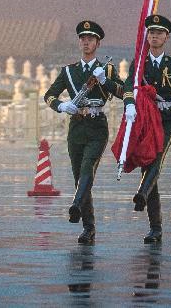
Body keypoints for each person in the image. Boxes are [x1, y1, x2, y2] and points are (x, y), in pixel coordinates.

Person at [43, 20, 123, 244]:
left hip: (97, 126)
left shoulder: (105, 68)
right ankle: (89, 227)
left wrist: (105, 80)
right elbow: (49, 95)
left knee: (88, 167)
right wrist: (61, 106)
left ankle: (76, 205)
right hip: (76, 126)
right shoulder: (69, 71)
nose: (86, 42)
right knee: (80, 176)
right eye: (83, 38)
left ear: (97, 43)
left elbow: (122, 91)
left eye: (90, 39)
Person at [122, 14, 171, 243]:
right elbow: (130, 86)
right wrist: (129, 104)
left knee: (156, 158)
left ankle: (142, 193)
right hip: (145, 120)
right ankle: (155, 227)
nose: (154, 36)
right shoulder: (140, 63)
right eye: (151, 33)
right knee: (147, 166)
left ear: (166, 37)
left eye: (159, 33)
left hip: (166, 121)